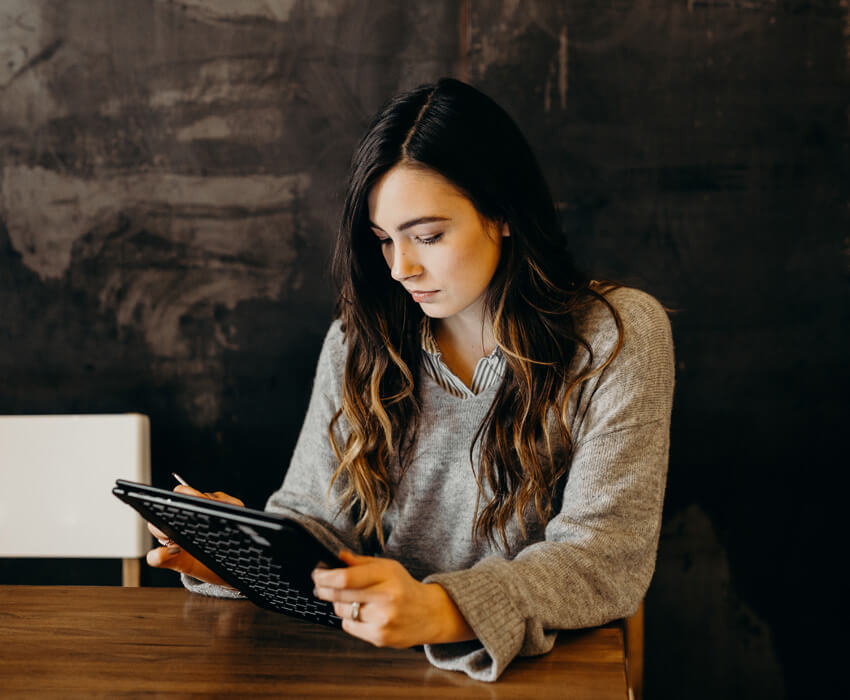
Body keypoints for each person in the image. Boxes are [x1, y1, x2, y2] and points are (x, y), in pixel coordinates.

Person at [146, 77, 675, 682]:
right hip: (376, 673)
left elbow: (605, 557)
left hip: (546, 676)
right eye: (383, 241)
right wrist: (237, 555)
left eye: (428, 236)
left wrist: (441, 609)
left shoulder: (616, 336)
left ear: (502, 213)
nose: (401, 269)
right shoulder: (356, 342)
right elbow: (319, 526)